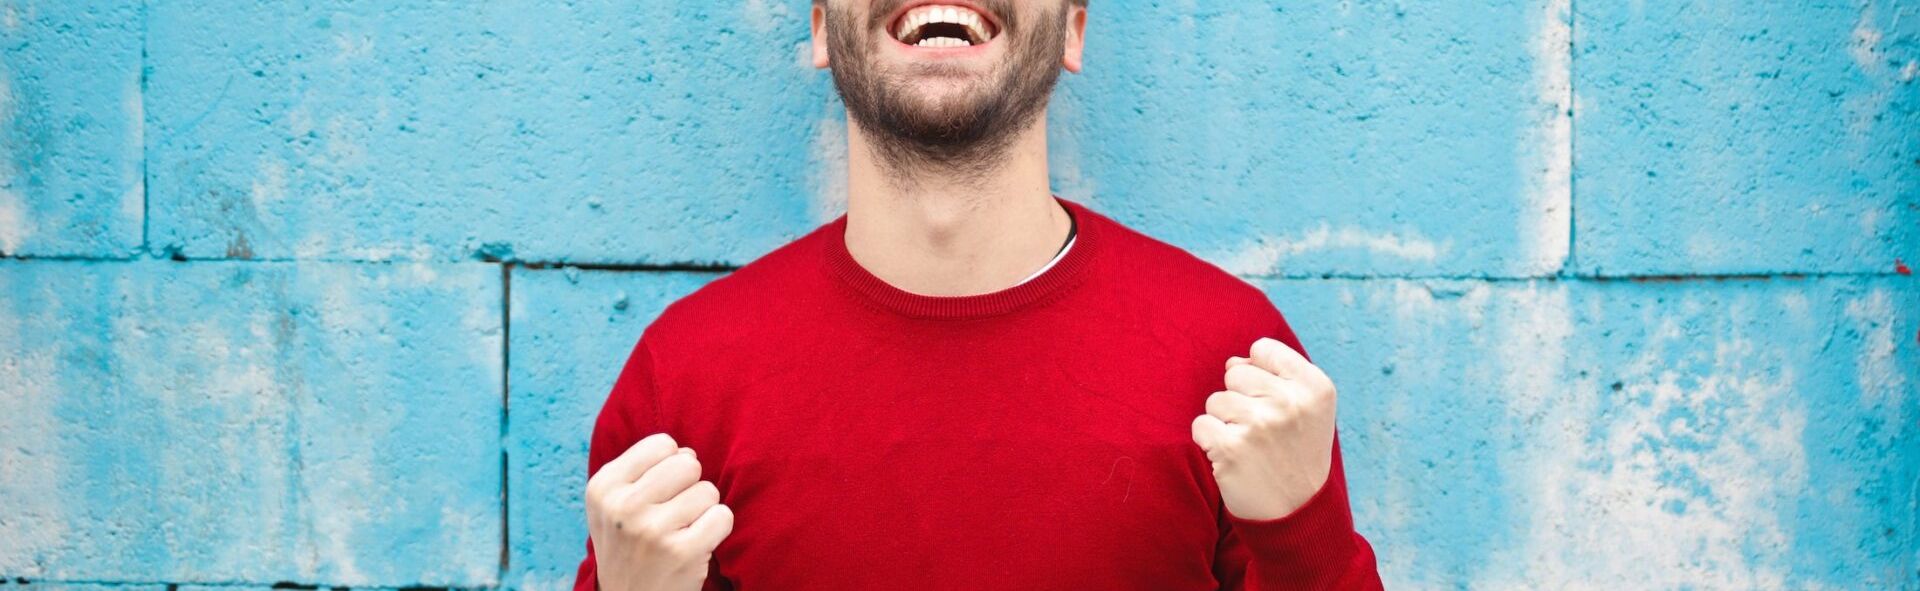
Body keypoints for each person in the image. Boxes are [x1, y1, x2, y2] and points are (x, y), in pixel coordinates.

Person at [572, 1, 1382, 589]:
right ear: (822, 28)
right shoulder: (686, 377)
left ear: (1072, 29)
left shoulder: (1232, 358)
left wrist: (1301, 537)